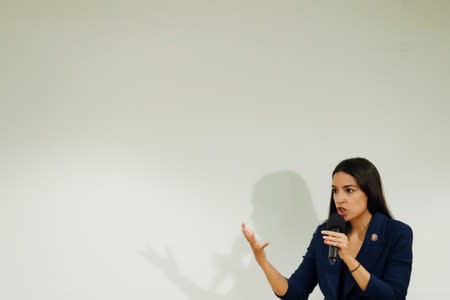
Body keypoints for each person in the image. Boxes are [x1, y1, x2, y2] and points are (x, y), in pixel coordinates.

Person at [242, 157, 413, 299]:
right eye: (335, 190)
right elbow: (296, 292)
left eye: (349, 190)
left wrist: (349, 259)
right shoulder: (326, 233)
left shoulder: (397, 233)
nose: (339, 198)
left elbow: (394, 297)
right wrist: (263, 262)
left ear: (369, 191)